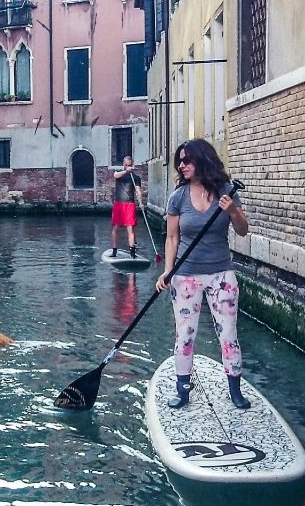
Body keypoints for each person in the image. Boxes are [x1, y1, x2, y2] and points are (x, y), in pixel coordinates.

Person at [155, 138, 251, 410]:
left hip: (222, 274)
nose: (182, 165)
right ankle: (183, 390)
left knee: (228, 334)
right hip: (186, 276)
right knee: (185, 334)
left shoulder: (226, 192)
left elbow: (243, 230)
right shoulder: (178, 197)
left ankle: (235, 391)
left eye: (187, 160)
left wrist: (232, 210)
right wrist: (168, 271)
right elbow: (172, 238)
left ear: (202, 159)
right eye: (180, 161)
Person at [110, 156, 143, 258]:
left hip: (129, 204)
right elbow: (115, 175)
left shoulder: (136, 177)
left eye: (129, 165)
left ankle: (132, 253)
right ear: (123, 165)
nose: (128, 166)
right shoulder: (119, 173)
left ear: (132, 165)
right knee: (115, 228)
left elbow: (138, 191)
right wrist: (126, 171)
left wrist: (141, 202)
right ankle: (114, 251)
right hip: (119, 204)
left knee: (130, 230)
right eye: (126, 165)